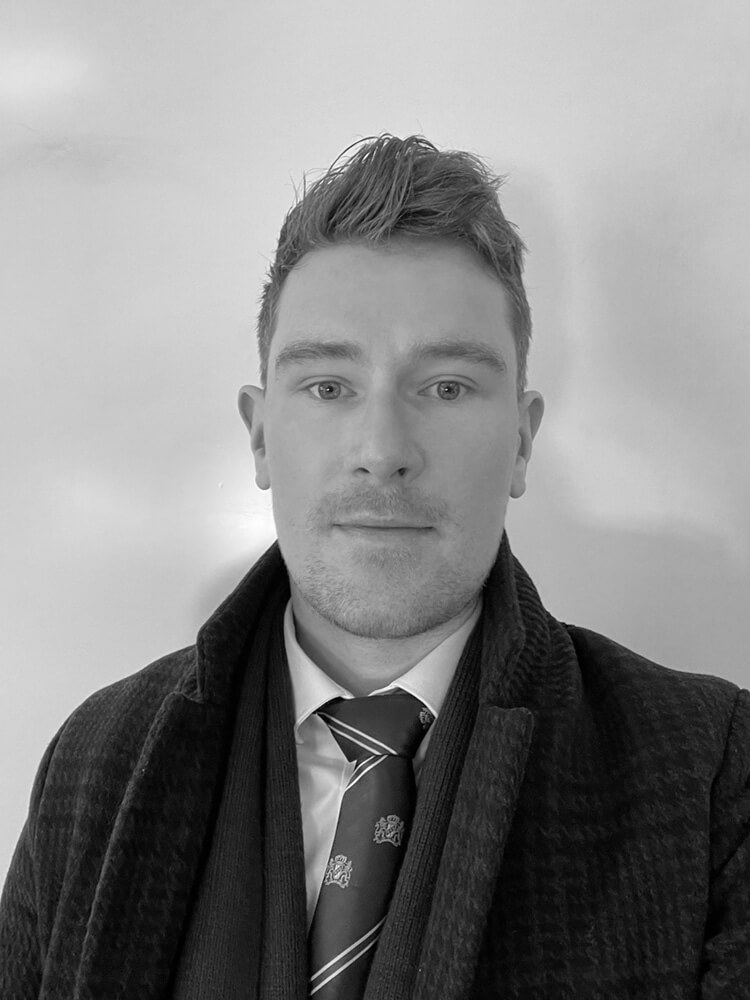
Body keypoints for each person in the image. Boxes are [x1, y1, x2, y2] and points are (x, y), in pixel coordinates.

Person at [1, 134, 748, 999]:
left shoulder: (709, 772)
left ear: (521, 441)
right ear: (260, 436)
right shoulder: (97, 759)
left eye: (447, 387)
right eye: (328, 386)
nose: (383, 450)